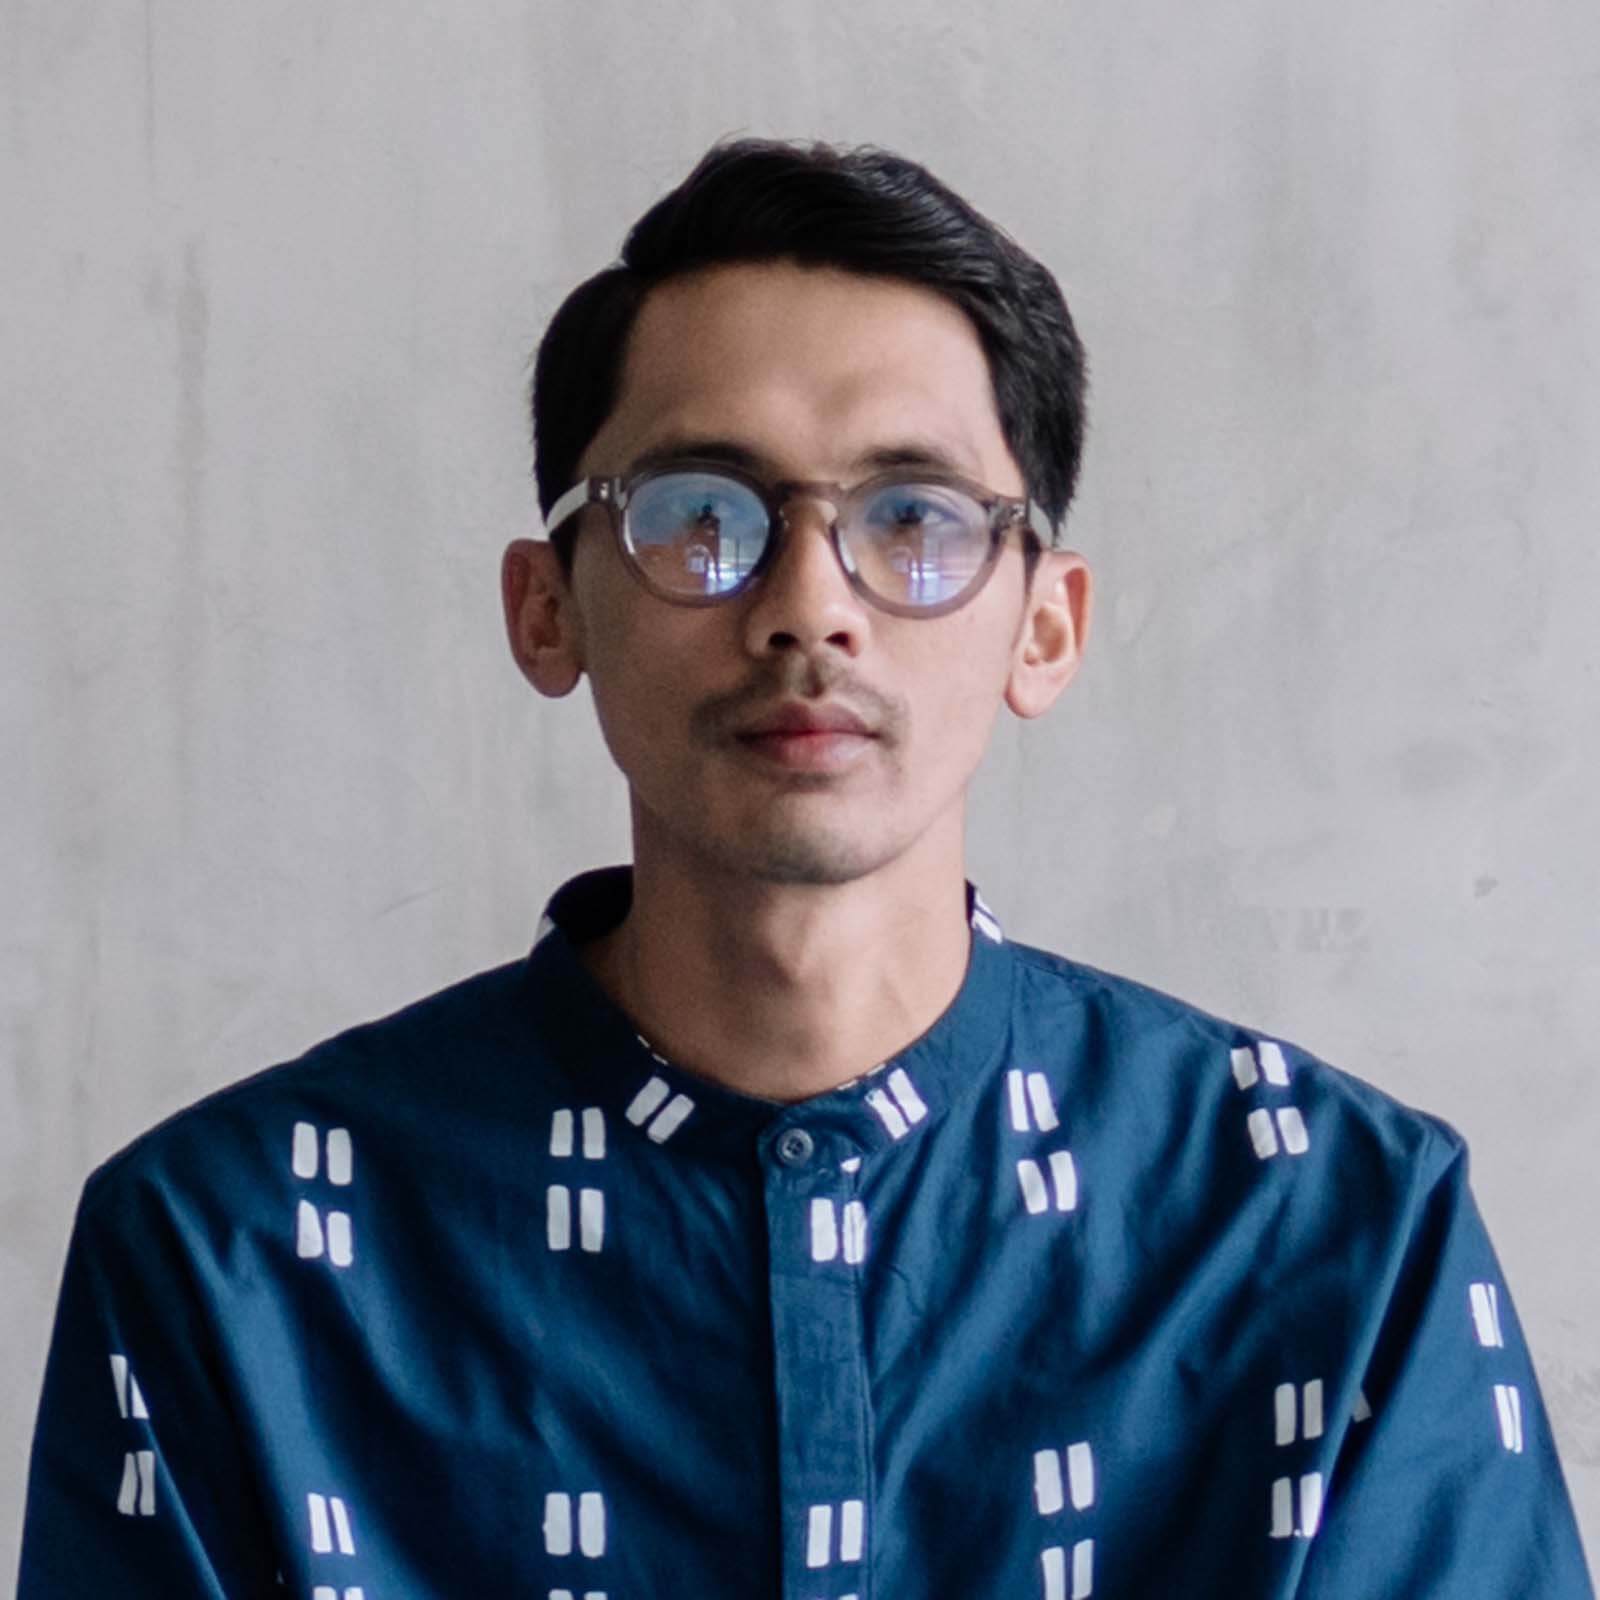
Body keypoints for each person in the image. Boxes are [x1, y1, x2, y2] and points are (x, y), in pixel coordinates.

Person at [18, 137, 1592, 1599]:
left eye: (915, 520)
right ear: (546, 609)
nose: (809, 608)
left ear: (1045, 626)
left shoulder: (1332, 1225)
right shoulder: (238, 1254)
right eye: (702, 515)